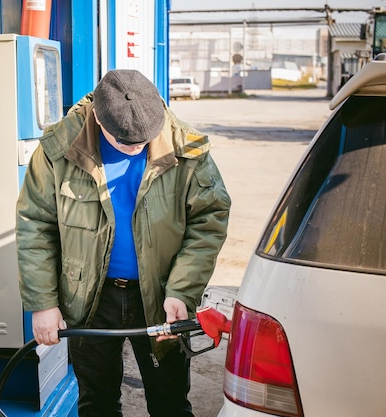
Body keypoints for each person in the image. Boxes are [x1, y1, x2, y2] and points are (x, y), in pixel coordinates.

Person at [16, 69, 230, 417]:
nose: (135, 149)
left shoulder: (186, 146)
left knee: (170, 402)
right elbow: (35, 224)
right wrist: (43, 302)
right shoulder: (58, 148)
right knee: (97, 403)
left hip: (161, 297)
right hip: (89, 299)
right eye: (125, 143)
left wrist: (182, 290)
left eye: (143, 141)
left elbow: (209, 219)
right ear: (99, 118)